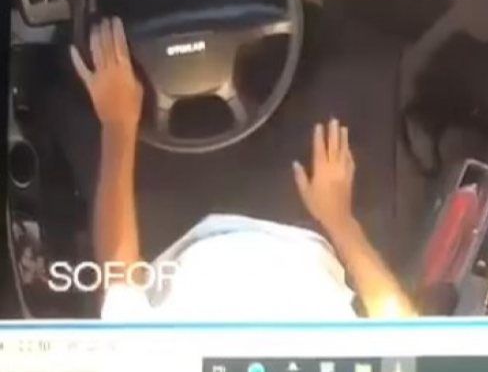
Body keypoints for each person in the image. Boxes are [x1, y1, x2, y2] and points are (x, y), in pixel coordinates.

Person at [71, 17, 416, 319]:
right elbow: (401, 334)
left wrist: (118, 122)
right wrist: (340, 220)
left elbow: (120, 288)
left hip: (175, 233)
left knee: (74, 86)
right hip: (306, 222)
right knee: (362, 62)